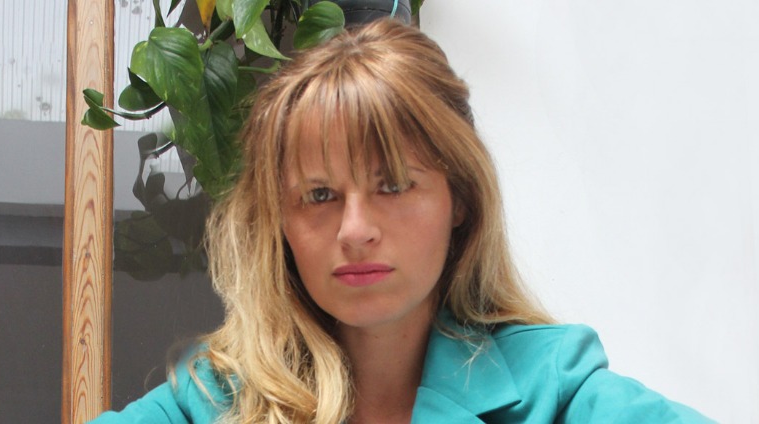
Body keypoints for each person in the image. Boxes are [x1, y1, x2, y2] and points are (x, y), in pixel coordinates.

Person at [91, 18, 713, 424]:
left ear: (459, 198)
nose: (355, 229)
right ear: (278, 220)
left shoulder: (554, 388)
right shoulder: (213, 396)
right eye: (318, 195)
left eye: (392, 185)